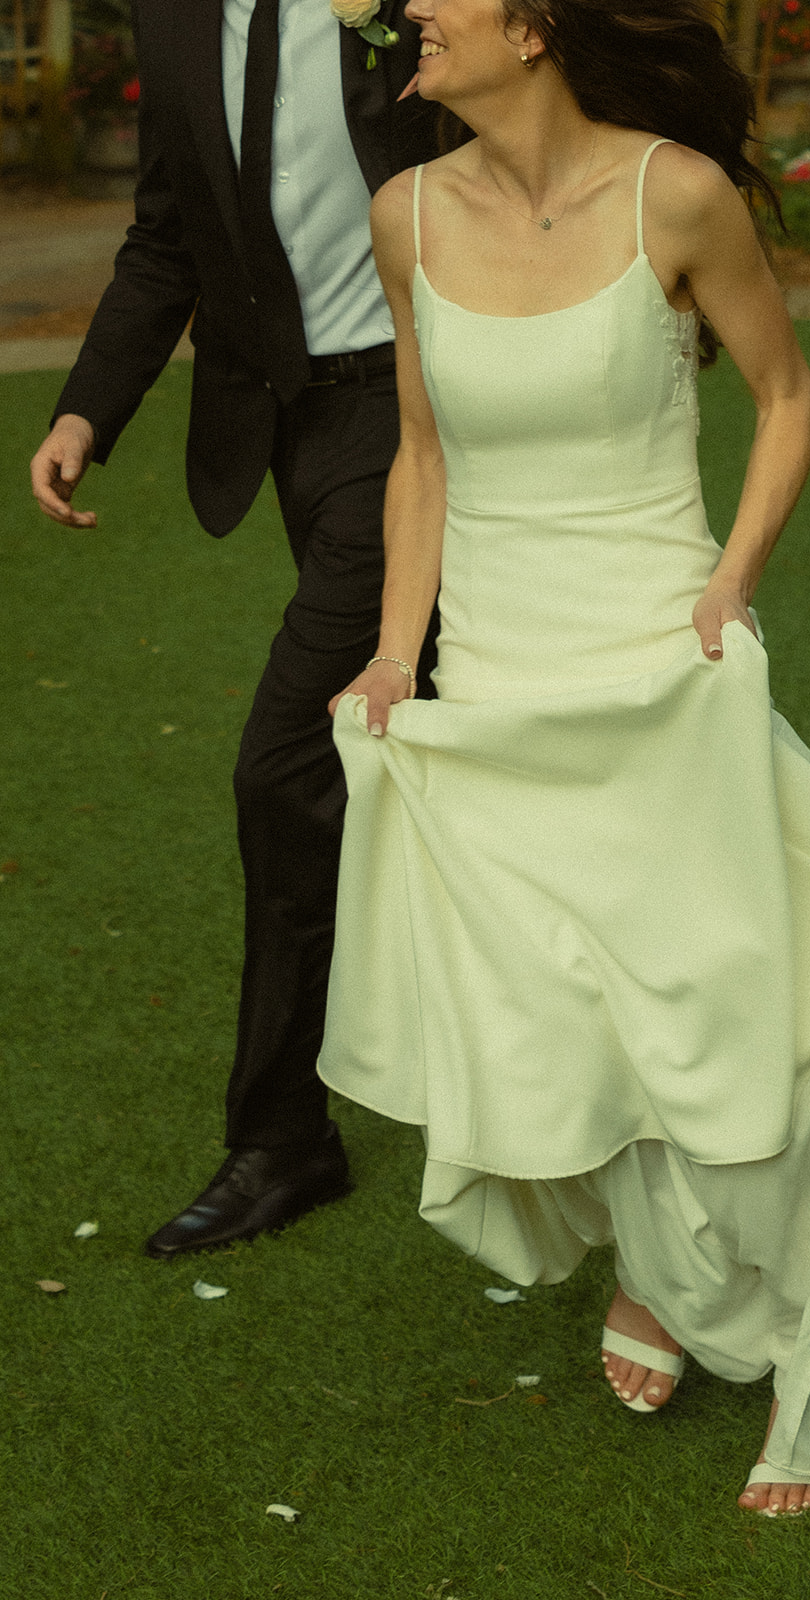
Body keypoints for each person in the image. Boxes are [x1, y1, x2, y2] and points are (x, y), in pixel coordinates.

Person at [316, 0, 810, 1514]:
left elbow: (785, 397)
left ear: (530, 25)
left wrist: (727, 588)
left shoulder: (675, 194)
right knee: (570, 1025)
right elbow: (423, 454)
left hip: (655, 669)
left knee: (717, 1023)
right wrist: (396, 653)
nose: (401, 19)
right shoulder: (403, 212)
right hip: (501, 679)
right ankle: (658, 1278)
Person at [29, 0, 442, 1259]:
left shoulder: (407, 1)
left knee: (288, 768)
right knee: (422, 746)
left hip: (421, 409)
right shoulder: (172, 19)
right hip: (283, 428)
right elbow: (168, 238)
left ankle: (283, 1137)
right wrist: (86, 413)